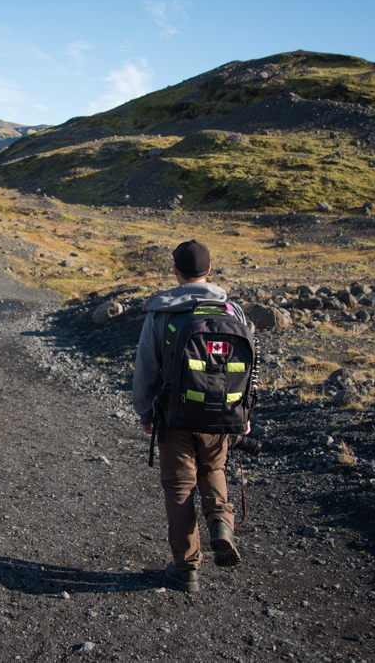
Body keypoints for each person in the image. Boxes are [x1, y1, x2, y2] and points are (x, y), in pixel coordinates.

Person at [132, 239, 245, 592]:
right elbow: (248, 368)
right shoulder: (233, 311)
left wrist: (145, 412)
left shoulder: (162, 311)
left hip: (174, 416)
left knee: (180, 488)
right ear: (209, 271)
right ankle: (221, 524)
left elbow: (146, 367)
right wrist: (244, 412)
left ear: (176, 271)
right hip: (223, 414)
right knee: (213, 469)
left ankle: (186, 568)